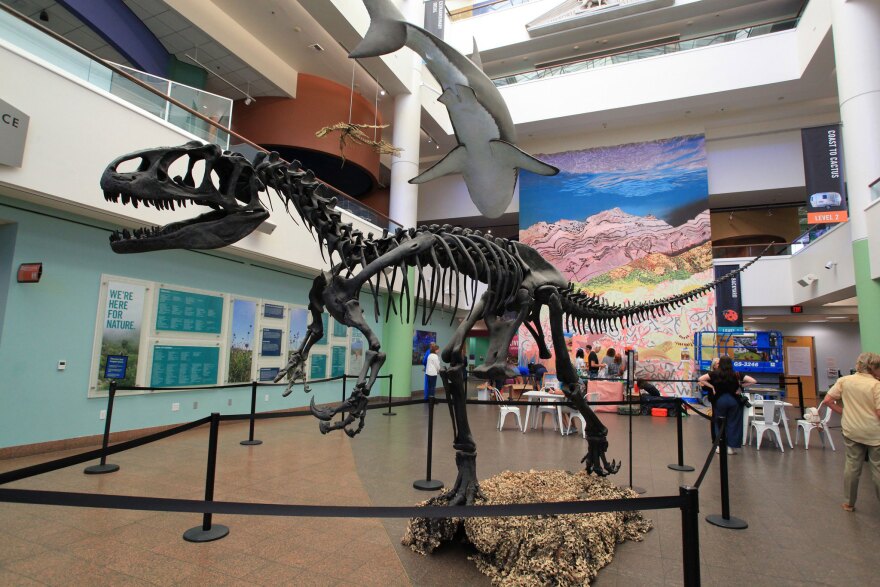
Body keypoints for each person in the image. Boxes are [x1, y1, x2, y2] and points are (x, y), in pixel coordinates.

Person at [820, 352, 880, 512]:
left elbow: (827, 401)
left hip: (851, 429)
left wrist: (845, 412)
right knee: (877, 468)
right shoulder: (876, 385)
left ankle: (849, 503)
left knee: (852, 466)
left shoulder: (844, 380)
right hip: (875, 432)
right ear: (873, 368)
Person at [698, 356, 755, 454]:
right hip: (734, 400)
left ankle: (720, 446)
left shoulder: (714, 374)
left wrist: (712, 387)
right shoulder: (736, 374)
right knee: (733, 423)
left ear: (720, 364)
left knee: (719, 423)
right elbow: (753, 381)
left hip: (720, 401)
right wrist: (740, 386)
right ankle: (731, 447)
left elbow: (701, 379)